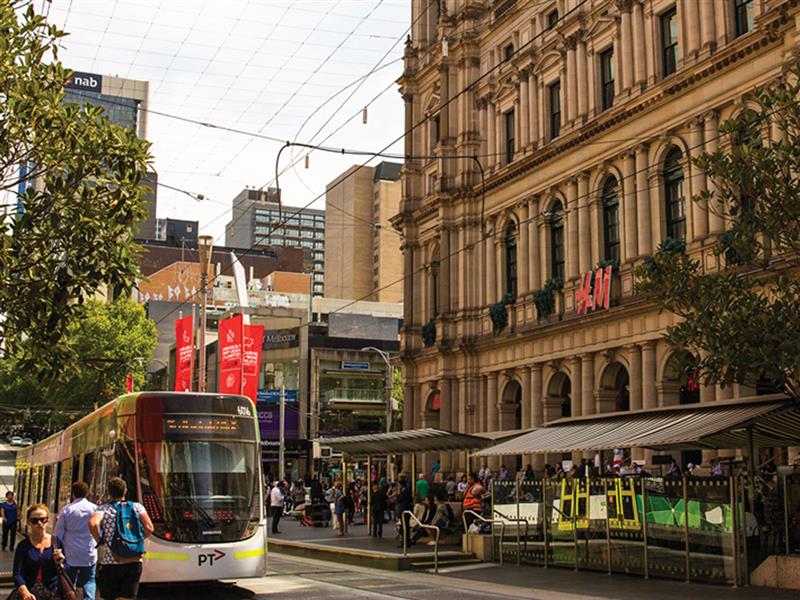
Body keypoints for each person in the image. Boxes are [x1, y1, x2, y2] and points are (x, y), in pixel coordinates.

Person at [89, 477, 154, 600]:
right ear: (125, 491)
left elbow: (92, 523)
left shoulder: (103, 509)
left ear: (109, 492)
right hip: (133, 560)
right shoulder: (137, 507)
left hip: (111, 561)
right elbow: (149, 528)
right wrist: (138, 539)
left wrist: (100, 540)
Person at [54, 481, 97, 600]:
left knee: (69, 581)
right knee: (89, 580)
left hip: (71, 553)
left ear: (73, 494)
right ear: (87, 493)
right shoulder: (94, 509)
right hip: (89, 552)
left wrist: (59, 550)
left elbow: (58, 534)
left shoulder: (67, 510)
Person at [12, 503, 65, 600]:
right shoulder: (23, 546)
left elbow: (68, 568)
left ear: (47, 520)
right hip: (29, 592)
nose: (39, 523)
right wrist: (24, 592)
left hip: (52, 592)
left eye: (43, 519)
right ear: (29, 522)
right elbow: (17, 574)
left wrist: (62, 562)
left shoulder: (56, 542)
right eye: (34, 520)